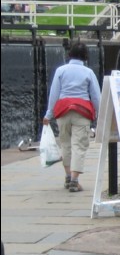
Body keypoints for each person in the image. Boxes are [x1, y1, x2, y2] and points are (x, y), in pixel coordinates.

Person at [43, 42, 102, 192]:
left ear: (69, 55)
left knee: (65, 145)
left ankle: (68, 176)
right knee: (79, 145)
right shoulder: (88, 72)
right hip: (82, 113)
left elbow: (54, 94)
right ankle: (74, 181)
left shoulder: (60, 71)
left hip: (62, 111)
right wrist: (101, 114)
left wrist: (48, 114)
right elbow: (96, 97)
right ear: (86, 56)